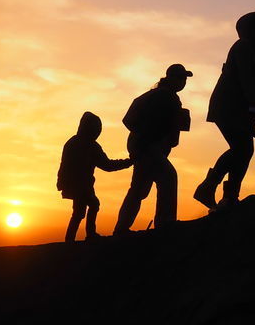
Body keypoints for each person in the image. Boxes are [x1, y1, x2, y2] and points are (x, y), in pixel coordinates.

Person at [193, 11, 255, 210]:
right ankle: (210, 187)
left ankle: (229, 197)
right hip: (229, 106)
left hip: (241, 107)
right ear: (252, 29)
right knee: (242, 149)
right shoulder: (243, 47)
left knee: (244, 151)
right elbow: (247, 79)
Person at [113, 64, 193, 234]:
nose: (183, 81)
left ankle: (121, 228)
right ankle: (165, 223)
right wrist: (147, 138)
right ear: (170, 77)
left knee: (139, 189)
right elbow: (133, 120)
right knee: (168, 178)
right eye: (180, 77)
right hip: (148, 148)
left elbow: (129, 119)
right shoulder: (165, 96)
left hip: (144, 147)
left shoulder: (158, 96)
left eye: (184, 78)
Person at [57, 111, 131, 242]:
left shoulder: (75, 143)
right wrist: (129, 162)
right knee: (89, 207)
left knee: (81, 211)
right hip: (79, 185)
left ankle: (74, 239)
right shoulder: (86, 145)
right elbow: (107, 165)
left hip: (82, 184)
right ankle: (86, 235)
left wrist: (127, 162)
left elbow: (106, 165)